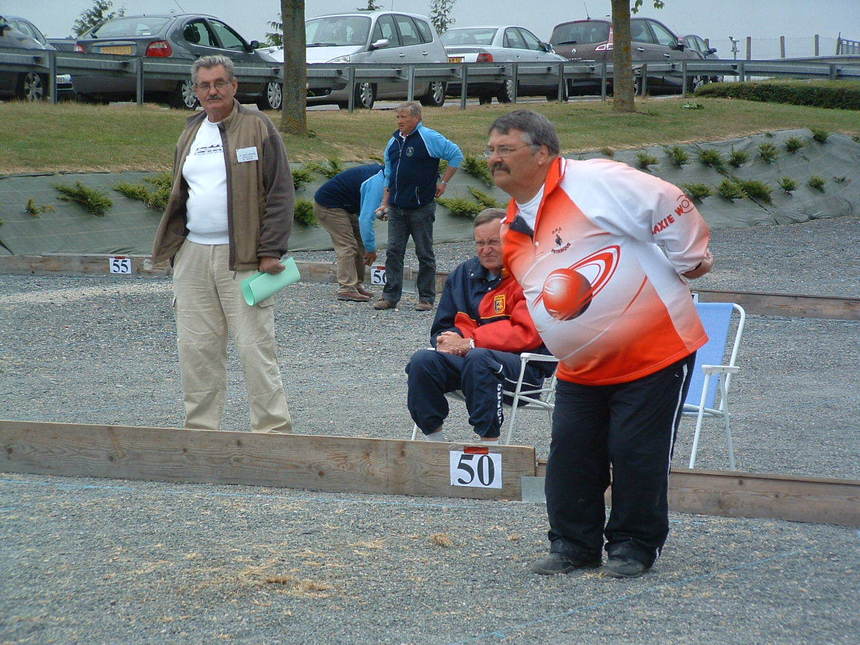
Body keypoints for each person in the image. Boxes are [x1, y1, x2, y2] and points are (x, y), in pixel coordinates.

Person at [488, 110, 714, 578]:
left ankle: (633, 546)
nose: (494, 159)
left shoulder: (593, 181)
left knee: (637, 452)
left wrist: (690, 260)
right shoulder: (512, 228)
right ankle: (573, 545)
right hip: (579, 367)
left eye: (505, 149)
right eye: (490, 150)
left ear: (543, 152)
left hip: (654, 352)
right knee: (571, 455)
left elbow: (669, 199)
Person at [152, 55, 294, 434]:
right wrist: (176, 249)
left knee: (254, 348)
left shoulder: (258, 127)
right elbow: (181, 194)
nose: (211, 91)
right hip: (194, 256)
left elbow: (281, 193)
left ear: (233, 86)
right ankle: (200, 433)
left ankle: (272, 433)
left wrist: (270, 250)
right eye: (203, 85)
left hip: (246, 259)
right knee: (196, 350)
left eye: (218, 83)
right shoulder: (191, 132)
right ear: (194, 91)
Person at [405, 209, 555, 442]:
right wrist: (447, 340)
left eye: (494, 242)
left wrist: (470, 342)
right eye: (480, 243)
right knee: (422, 361)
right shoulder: (463, 274)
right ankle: (434, 443)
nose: (486, 250)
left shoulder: (533, 274)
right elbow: (442, 327)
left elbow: (527, 334)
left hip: (524, 369)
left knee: (480, 359)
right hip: (470, 362)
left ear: (513, 240)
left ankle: (489, 447)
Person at [374, 101, 464, 312]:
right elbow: (389, 174)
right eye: (398, 117)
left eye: (404, 117)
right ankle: (390, 296)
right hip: (397, 206)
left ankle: (426, 298)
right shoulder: (393, 142)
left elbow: (456, 155)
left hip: (421, 206)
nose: (400, 121)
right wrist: (384, 203)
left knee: (424, 253)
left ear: (416, 118)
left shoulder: (429, 137)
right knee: (394, 252)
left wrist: (444, 182)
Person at [313, 163, 386, 302]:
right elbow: (365, 220)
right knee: (347, 245)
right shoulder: (377, 182)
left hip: (346, 206)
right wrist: (371, 249)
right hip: (329, 205)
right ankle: (346, 288)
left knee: (359, 244)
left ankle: (356, 284)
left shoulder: (386, 174)